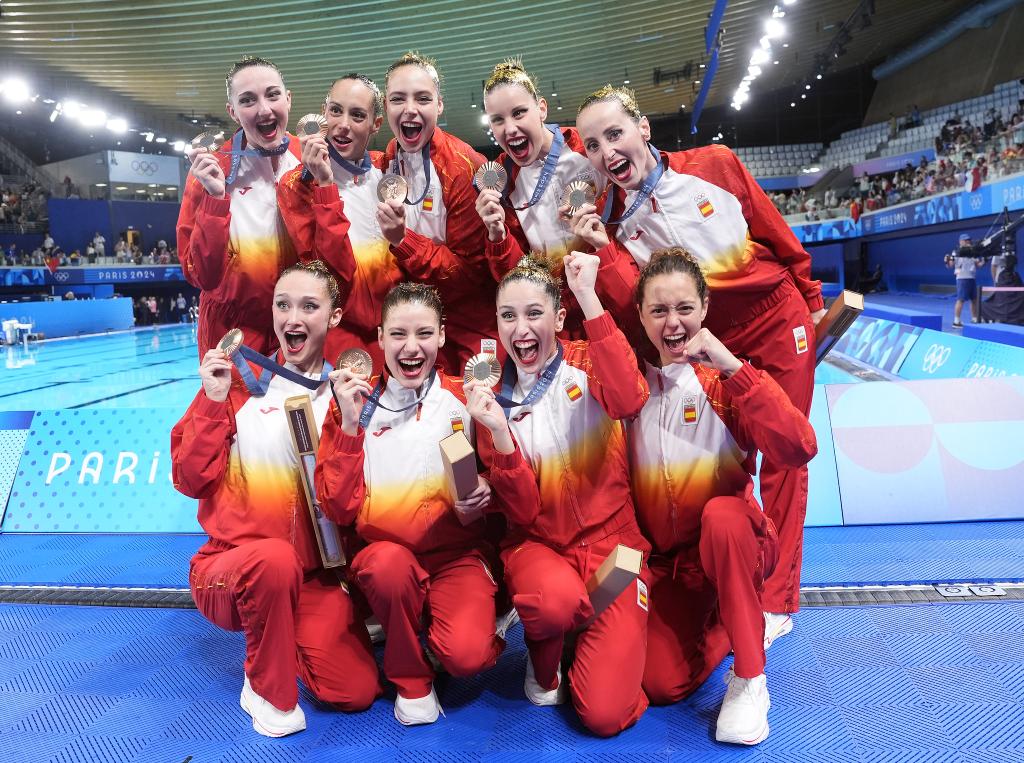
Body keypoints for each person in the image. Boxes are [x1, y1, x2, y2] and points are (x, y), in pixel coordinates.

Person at [573, 85, 822, 643]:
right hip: (708, 343)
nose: (607, 151)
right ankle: (736, 570)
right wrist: (604, 248)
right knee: (734, 460)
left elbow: (773, 231)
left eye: (615, 134)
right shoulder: (614, 226)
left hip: (777, 320)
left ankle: (776, 600)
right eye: (592, 145)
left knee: (784, 455)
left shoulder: (714, 164)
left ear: (644, 130)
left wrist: (809, 295)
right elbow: (636, 304)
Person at [171, 261, 381, 738]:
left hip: (309, 578)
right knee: (272, 560)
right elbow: (188, 478)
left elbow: (346, 508)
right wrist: (209, 400)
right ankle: (266, 686)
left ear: (334, 317)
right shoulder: (237, 387)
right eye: (283, 305)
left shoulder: (345, 399)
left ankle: (283, 640)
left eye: (310, 306)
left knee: (354, 691)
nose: (293, 318)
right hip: (230, 566)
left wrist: (349, 428)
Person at [627, 248, 816, 745]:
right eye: (659, 310)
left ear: (705, 307)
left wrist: (736, 368)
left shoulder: (727, 382)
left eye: (684, 308)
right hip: (673, 569)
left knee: (724, 517)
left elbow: (798, 447)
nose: (673, 323)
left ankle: (751, 677)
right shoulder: (632, 392)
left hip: (736, 544)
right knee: (661, 684)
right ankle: (731, 625)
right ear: (640, 316)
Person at [468, 253, 651, 737]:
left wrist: (589, 296)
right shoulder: (491, 399)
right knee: (551, 603)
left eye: (533, 313)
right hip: (539, 547)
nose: (521, 328)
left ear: (560, 317)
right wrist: (500, 433)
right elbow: (524, 510)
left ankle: (582, 634)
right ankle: (547, 656)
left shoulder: (588, 360)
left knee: (605, 715)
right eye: (508, 315)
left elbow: (630, 400)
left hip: (616, 548)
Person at [316, 282, 508, 726]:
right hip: (386, 558)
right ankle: (411, 678)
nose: (411, 347)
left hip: (456, 557)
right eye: (398, 334)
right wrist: (347, 428)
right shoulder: (354, 406)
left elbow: (506, 477)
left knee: (466, 656)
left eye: (424, 333)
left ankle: (476, 620)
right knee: (388, 568)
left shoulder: (467, 398)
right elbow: (339, 509)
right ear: (379, 338)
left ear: (442, 335)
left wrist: (485, 488)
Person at [176, 55, 352, 358]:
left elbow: (338, 261)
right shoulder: (210, 173)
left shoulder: (316, 161)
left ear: (288, 98)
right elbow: (200, 276)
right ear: (233, 112)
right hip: (235, 336)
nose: (264, 109)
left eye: (272, 95)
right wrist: (216, 199)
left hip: (303, 329)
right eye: (248, 100)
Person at [377, 51, 496, 372]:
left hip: (471, 322)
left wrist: (404, 242)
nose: (410, 109)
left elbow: (469, 277)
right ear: (386, 106)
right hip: (412, 323)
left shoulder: (464, 167)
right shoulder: (386, 161)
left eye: (423, 98)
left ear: (439, 105)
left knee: (477, 412)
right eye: (398, 99)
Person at [475, 57, 607, 336]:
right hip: (554, 320)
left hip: (608, 298)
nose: (509, 128)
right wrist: (497, 237)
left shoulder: (587, 150)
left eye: (519, 113)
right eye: (498, 120)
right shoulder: (500, 182)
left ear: (542, 109)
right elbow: (513, 275)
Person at [279, 73, 401, 369]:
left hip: (393, 333)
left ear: (376, 124)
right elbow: (329, 274)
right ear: (323, 111)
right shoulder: (296, 184)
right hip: (338, 335)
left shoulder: (389, 174)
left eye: (357, 115)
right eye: (335, 110)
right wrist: (324, 184)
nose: (343, 124)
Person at [945, 233, 986, 328]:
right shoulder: (956, 252)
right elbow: (950, 265)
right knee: (961, 299)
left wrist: (985, 260)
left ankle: (974, 318)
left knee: (974, 299)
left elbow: (978, 265)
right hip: (962, 278)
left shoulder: (973, 253)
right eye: (966, 240)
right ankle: (956, 321)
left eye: (969, 240)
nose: (968, 242)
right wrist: (946, 261)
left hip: (972, 278)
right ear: (960, 242)